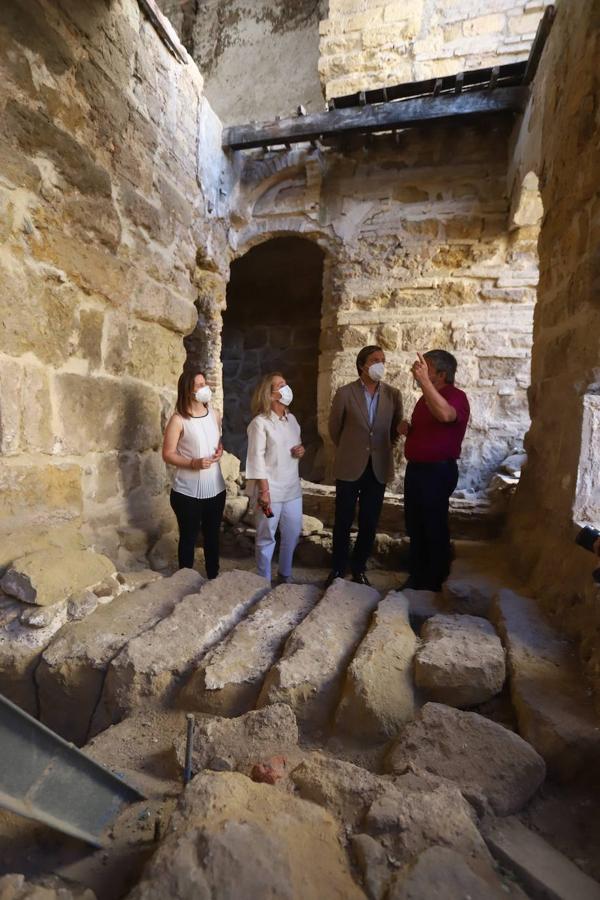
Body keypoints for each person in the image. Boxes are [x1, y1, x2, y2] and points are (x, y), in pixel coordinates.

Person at [326, 346, 403, 587]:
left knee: (370, 520)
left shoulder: (393, 394)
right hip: (350, 464)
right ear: (362, 365)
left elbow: (395, 430)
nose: (380, 364)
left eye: (383, 360)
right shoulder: (345, 393)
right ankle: (337, 568)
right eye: (375, 360)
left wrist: (381, 448)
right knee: (343, 519)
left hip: (378, 466)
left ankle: (358, 567)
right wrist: (353, 448)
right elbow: (334, 429)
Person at [399, 350, 470, 592]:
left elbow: (446, 415)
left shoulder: (456, 396)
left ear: (441, 374)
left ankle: (434, 580)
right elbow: (430, 429)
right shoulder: (424, 399)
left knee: (433, 523)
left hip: (437, 471)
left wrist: (425, 383)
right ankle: (417, 577)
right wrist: (409, 430)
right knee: (414, 523)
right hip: (417, 469)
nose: (418, 368)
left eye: (425, 366)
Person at [162, 369, 225, 578]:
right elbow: (168, 454)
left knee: (213, 537)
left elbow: (215, 440)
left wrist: (219, 451)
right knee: (188, 538)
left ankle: (213, 577)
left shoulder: (215, 414)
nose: (204, 388)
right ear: (187, 390)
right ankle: (184, 580)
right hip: (187, 493)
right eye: (198, 385)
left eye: (204, 383)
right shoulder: (178, 420)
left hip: (216, 488)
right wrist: (193, 463)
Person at [245, 372, 305, 584]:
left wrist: (300, 450)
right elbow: (256, 459)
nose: (286, 387)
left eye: (285, 383)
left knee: (292, 532)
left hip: (292, 487)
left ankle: (285, 575)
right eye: (280, 385)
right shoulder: (259, 424)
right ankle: (263, 580)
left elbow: (294, 448)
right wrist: (264, 491)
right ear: (270, 395)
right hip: (270, 490)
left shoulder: (292, 420)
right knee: (266, 536)